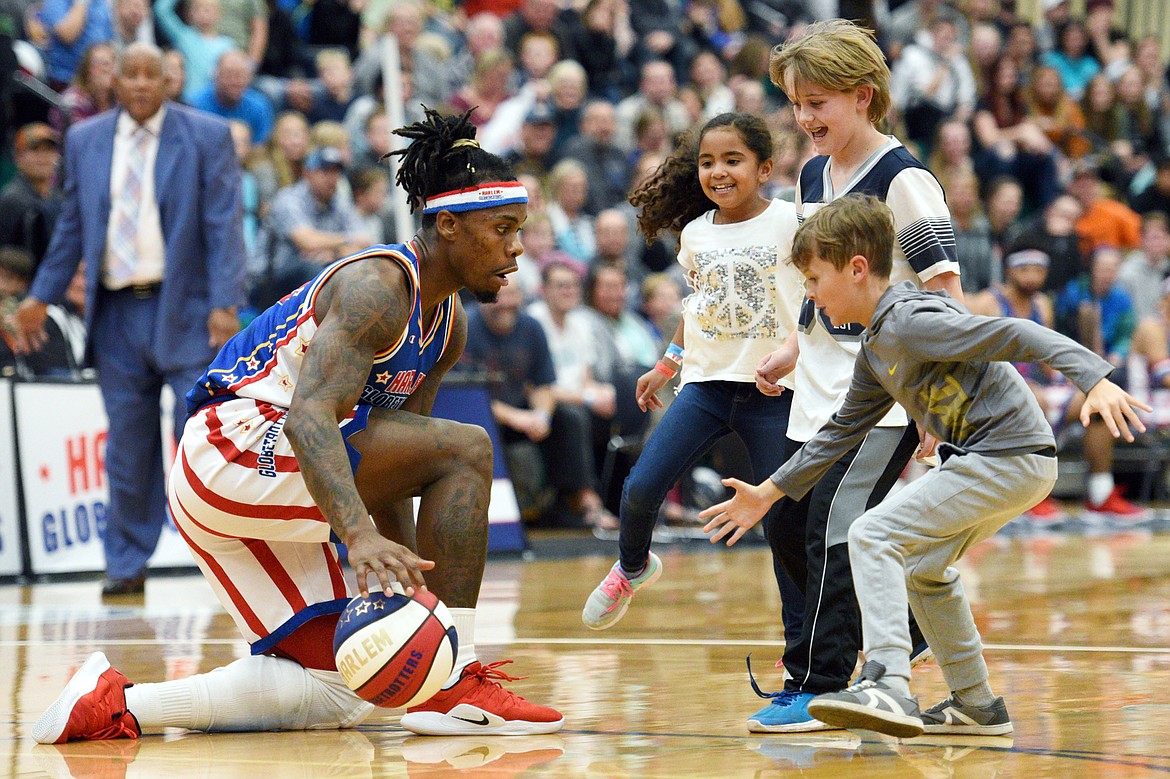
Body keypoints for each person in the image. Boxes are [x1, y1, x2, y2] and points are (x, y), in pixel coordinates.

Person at [30, 107, 563, 745]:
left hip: (253, 482)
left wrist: (407, 586)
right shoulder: (379, 285)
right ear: (446, 225)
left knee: (348, 685)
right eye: (503, 229)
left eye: (520, 231)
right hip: (236, 448)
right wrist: (359, 537)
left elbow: (401, 464)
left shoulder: (447, 323)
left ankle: (120, 703)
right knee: (469, 448)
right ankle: (460, 683)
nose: (516, 249)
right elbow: (312, 417)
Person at [702, 193, 1148, 739]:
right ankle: (976, 704)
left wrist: (1094, 378)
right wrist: (768, 493)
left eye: (815, 280)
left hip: (1006, 454)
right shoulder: (875, 346)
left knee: (872, 533)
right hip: (1005, 460)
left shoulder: (911, 319)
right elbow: (840, 431)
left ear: (857, 269)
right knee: (925, 570)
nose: (811, 295)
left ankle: (887, 683)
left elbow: (1015, 333)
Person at [745, 19, 962, 733]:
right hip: (817, 389)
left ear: (863, 96)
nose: (804, 119)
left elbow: (946, 294)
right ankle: (903, 618)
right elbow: (822, 282)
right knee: (784, 521)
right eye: (796, 104)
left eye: (818, 103)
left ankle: (817, 682)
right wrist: (793, 347)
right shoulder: (813, 174)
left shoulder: (906, 181)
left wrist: (941, 400)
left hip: (886, 398)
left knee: (834, 528)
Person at [11, 42, 247, 597]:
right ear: (112, 80)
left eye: (152, 74)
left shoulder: (206, 135)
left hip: (185, 307)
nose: (141, 83)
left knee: (200, 440)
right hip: (115, 312)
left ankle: (224, 559)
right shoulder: (86, 139)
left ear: (168, 80)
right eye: (130, 73)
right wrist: (40, 295)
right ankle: (125, 562)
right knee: (126, 446)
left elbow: (224, 225)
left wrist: (225, 303)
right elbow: (72, 226)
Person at [580, 113, 807, 646]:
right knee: (639, 489)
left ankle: (803, 646)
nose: (718, 172)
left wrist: (796, 355)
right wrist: (667, 362)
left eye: (733, 160)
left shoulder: (791, 221)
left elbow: (815, 298)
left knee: (782, 524)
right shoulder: (697, 233)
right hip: (705, 387)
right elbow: (699, 305)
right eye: (707, 162)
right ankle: (632, 568)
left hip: (772, 392)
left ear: (764, 167)